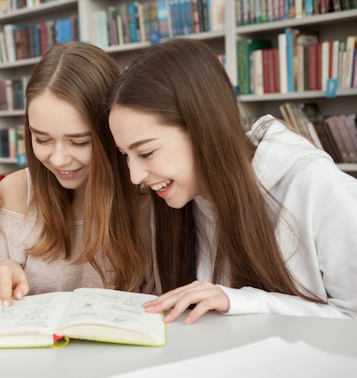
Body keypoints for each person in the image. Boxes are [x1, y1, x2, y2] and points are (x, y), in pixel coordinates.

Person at [108, 37, 357, 324]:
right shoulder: (172, 203)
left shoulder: (316, 185)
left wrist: (240, 300)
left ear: (202, 128)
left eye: (146, 152)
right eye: (125, 155)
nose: (135, 176)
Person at [0, 41, 149, 306]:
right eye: (42, 139)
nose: (58, 159)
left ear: (111, 132)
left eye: (80, 142)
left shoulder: (145, 189)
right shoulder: (14, 193)